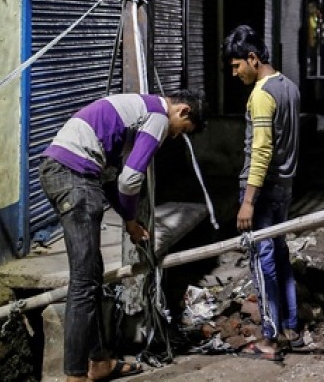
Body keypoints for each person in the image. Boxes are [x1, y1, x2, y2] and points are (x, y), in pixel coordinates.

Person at [39, 89, 207, 382]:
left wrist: (130, 222)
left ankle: (99, 361)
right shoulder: (157, 116)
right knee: (84, 282)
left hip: (68, 173)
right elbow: (130, 180)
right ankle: (75, 376)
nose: (176, 136)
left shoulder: (136, 111)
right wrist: (130, 217)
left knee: (92, 274)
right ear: (182, 112)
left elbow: (110, 180)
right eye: (183, 131)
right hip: (74, 176)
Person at [223, 24, 302, 361]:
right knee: (280, 255)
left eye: (236, 65)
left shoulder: (260, 95)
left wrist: (247, 202)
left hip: (264, 190)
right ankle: (291, 327)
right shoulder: (290, 88)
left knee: (262, 259)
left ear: (253, 58)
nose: (234, 73)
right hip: (285, 186)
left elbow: (261, 152)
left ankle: (269, 338)